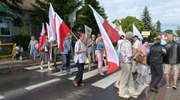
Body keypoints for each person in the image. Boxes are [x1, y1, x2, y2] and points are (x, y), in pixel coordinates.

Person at [117, 32, 139, 98]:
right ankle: (121, 93)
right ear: (131, 38)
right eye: (133, 37)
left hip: (124, 62)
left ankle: (132, 91)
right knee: (125, 78)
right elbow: (129, 56)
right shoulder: (128, 43)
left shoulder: (123, 42)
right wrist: (135, 52)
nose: (133, 38)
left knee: (130, 78)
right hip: (126, 63)